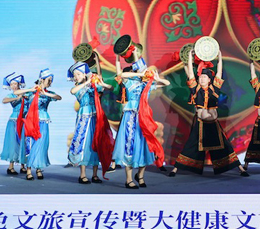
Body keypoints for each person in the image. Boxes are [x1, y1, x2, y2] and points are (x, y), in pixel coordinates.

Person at [168, 51, 248, 177]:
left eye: (204, 77)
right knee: (190, 145)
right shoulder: (195, 89)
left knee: (225, 146)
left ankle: (241, 169)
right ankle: (175, 169)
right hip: (200, 124)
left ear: (210, 80)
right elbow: (190, 73)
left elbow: (219, 72)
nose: (201, 79)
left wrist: (220, 57)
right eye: (200, 77)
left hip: (213, 124)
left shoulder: (214, 88)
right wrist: (190, 57)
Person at [112, 56, 170, 189]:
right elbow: (122, 74)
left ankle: (141, 176)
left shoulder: (147, 85)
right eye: (143, 69)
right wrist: (139, 74)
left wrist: (157, 78)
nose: (146, 71)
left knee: (145, 146)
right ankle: (128, 179)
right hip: (130, 117)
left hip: (144, 118)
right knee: (129, 146)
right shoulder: (130, 82)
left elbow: (166, 84)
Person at [68, 61, 114, 184]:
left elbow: (111, 88)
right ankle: (82, 175)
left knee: (96, 143)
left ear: (84, 74)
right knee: (84, 144)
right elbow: (72, 91)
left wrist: (101, 83)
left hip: (96, 117)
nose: (76, 77)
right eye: (75, 75)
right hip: (84, 118)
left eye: (78, 74)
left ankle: (95, 175)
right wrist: (88, 82)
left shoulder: (93, 85)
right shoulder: (79, 87)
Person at [14, 68, 62, 181]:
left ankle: (39, 169)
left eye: (51, 80)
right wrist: (31, 89)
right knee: (30, 144)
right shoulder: (31, 92)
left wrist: (45, 93)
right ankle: (29, 170)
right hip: (31, 121)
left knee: (41, 145)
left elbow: (59, 97)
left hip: (43, 121)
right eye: (48, 80)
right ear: (42, 80)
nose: (50, 82)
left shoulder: (49, 93)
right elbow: (16, 93)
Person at [0, 72, 27, 175]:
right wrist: (16, 98)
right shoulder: (11, 95)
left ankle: (23, 166)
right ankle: (10, 167)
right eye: (12, 84)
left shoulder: (26, 93)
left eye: (15, 84)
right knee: (13, 143)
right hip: (14, 121)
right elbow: (4, 100)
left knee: (24, 142)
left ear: (19, 84)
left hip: (24, 120)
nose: (14, 86)